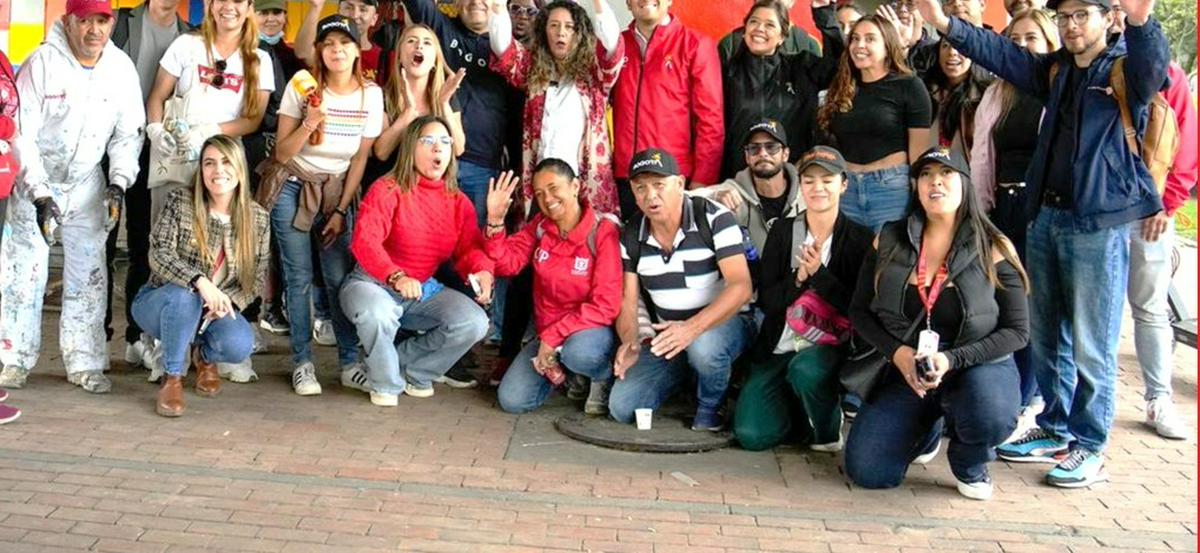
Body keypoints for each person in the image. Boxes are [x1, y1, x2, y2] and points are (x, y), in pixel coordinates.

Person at [915, 0, 1169, 488]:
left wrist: (1141, 22)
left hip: (1097, 223)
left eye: (1082, 15)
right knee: (1048, 334)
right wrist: (946, 24)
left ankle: (1089, 444)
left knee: (1093, 342)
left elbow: (1153, 65)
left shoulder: (1124, 70)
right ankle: (1055, 426)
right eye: (1065, 17)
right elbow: (1001, 54)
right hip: (1046, 216)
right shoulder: (1056, 70)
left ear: (1107, 18)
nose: (1072, 26)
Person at [844, 147, 1029, 501]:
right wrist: (898, 354)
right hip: (908, 367)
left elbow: (1018, 331)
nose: (935, 182)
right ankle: (927, 427)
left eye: (946, 174)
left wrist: (951, 359)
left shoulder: (993, 245)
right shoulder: (889, 238)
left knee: (988, 413)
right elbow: (859, 312)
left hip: (975, 366)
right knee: (868, 470)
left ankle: (969, 462)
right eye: (926, 175)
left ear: (965, 183)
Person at [0, 0, 144, 393]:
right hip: (37, 182)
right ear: (67, 22)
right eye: (85, 21)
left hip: (87, 185)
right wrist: (39, 193)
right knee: (22, 275)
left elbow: (129, 133)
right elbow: (21, 133)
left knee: (90, 276)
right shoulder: (42, 64)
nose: (94, 30)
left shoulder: (121, 69)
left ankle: (85, 363)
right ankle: (13, 359)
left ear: (111, 23)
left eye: (102, 21)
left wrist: (118, 182)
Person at [256, 15, 382, 396]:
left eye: (344, 43)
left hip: (335, 192)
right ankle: (302, 362)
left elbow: (360, 159)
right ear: (319, 51)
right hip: (293, 185)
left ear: (357, 50)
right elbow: (282, 153)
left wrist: (341, 210)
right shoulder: (303, 85)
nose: (336, 50)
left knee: (338, 278)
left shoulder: (371, 95)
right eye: (329, 44)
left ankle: (349, 363)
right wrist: (310, 123)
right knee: (298, 277)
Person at [340, 115, 494, 406]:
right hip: (372, 284)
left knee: (475, 322)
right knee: (379, 313)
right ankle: (385, 383)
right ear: (411, 148)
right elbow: (365, 241)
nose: (438, 148)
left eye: (445, 142)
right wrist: (395, 276)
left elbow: (470, 249)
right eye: (428, 141)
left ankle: (413, 370)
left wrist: (482, 271)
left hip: (420, 290)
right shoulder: (387, 188)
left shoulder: (458, 201)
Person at [733, 146, 872, 452]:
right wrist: (798, 279)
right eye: (809, 181)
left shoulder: (860, 238)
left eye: (827, 180)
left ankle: (827, 429)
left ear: (843, 185)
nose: (817, 188)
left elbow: (859, 309)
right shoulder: (783, 232)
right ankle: (799, 413)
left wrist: (819, 275)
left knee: (805, 371)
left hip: (829, 347)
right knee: (751, 435)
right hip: (780, 345)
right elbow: (767, 300)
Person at [608, 149, 755, 431]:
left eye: (659, 185)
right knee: (622, 407)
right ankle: (687, 376)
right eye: (641, 188)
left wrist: (691, 329)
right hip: (670, 336)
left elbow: (741, 286)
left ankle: (712, 404)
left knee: (704, 348)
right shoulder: (631, 234)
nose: (651, 196)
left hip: (724, 324)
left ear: (679, 183)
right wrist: (631, 341)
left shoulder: (713, 218)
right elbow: (628, 300)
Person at [1109, 3, 1197, 441]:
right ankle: (1092, 402)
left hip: (1148, 213)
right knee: (1096, 313)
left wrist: (1167, 203)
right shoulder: (1088, 69)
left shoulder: (1167, 73)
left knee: (1149, 308)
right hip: (1098, 213)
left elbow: (1186, 143)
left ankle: (1158, 398)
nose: (1116, 17)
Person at [133, 136, 270, 417]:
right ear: (201, 169)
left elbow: (256, 279)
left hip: (210, 315)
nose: (218, 170)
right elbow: (159, 253)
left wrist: (228, 303)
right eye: (209, 163)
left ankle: (203, 356)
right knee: (185, 297)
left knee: (240, 345)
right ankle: (172, 377)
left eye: (226, 162)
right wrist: (200, 281)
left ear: (240, 168)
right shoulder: (181, 201)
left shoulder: (258, 218)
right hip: (161, 302)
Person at [968, 8, 1058, 432]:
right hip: (1001, 209)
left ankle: (1029, 398)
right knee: (1005, 301)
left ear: (1050, 43)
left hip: (1041, 211)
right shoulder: (997, 93)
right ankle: (1005, 395)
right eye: (1014, 39)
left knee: (1036, 306)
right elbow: (982, 157)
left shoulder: (1058, 90)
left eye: (1031, 38)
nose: (1022, 46)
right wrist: (981, 210)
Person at [483, 159, 621, 415]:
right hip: (548, 335)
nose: (547, 199)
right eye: (539, 193)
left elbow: (606, 305)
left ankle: (601, 376)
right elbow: (506, 265)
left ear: (575, 186)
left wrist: (553, 336)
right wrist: (495, 222)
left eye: (553, 188)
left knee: (578, 353)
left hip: (587, 333)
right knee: (513, 400)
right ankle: (569, 375)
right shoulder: (540, 227)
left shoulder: (602, 230)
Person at [104, 0, 191, 366]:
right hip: (108, 145)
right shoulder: (122, 23)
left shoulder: (189, 36)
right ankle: (97, 336)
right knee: (101, 243)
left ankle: (136, 336)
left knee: (144, 243)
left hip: (157, 151)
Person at [488, 0, 624, 217]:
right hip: (541, 182)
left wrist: (598, 3)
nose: (561, 32)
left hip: (584, 181)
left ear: (579, 33)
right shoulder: (534, 69)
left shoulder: (595, 73)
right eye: (554, 25)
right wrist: (497, 4)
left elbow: (611, 44)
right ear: (544, 31)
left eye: (569, 26)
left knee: (588, 234)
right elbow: (502, 47)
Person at [145, 0, 275, 222]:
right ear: (211, 4)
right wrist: (156, 130)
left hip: (224, 163)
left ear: (249, 8)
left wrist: (208, 132)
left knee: (217, 230)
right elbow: (157, 97)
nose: (229, 6)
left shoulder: (259, 59)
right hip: (176, 155)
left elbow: (252, 120)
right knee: (169, 227)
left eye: (238, 1)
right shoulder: (186, 44)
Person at [816, 14, 931, 232]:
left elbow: (919, 155)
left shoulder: (910, 86)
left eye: (870, 39)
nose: (860, 45)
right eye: (855, 39)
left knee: (887, 253)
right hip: (846, 191)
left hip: (891, 191)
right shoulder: (841, 86)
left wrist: (920, 201)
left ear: (888, 46)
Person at [611, 0, 724, 220]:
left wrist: (702, 181)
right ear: (627, 3)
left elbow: (710, 120)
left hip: (672, 178)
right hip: (627, 179)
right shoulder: (615, 46)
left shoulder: (695, 44)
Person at [402, 0, 514, 220]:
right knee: (428, 238)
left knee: (475, 240)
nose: (476, 2)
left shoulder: (508, 49)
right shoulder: (442, 28)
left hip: (483, 168)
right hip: (434, 160)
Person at [719, 0, 843, 179]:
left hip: (793, 177)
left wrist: (824, 13)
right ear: (744, 30)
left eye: (769, 25)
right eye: (754, 22)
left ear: (782, 37)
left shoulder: (801, 67)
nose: (760, 29)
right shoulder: (727, 73)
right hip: (739, 180)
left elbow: (841, 67)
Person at [371, 24, 466, 182]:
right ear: (399, 57)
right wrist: (408, 114)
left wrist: (443, 104)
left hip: (431, 190)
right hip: (391, 186)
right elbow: (381, 152)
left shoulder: (448, 96)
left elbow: (458, 149)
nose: (419, 45)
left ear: (435, 60)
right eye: (411, 41)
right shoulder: (382, 96)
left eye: (427, 42)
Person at [694, 119, 805, 254]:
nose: (763, 153)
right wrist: (713, 196)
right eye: (754, 148)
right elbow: (684, 197)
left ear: (785, 154)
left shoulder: (805, 192)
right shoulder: (733, 191)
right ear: (747, 156)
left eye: (771, 147)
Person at [296, 0, 394, 85]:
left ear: (374, 19)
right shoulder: (328, 51)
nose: (355, 15)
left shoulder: (385, 59)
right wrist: (316, 7)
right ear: (338, 12)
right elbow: (303, 53)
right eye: (348, 7)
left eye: (363, 9)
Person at [924, 39, 993, 154]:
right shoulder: (926, 91)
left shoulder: (985, 96)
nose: (952, 52)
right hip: (929, 163)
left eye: (960, 46)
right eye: (945, 45)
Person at [718, 0, 821, 65]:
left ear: (792, 2)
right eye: (754, 22)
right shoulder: (730, 45)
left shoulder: (809, 45)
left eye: (770, 25)